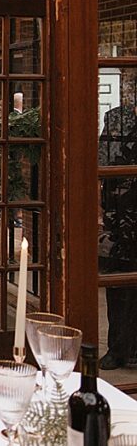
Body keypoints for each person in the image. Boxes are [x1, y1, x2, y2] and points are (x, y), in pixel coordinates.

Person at [99, 98, 137, 370]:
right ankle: (117, 349)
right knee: (116, 286)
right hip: (116, 218)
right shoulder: (116, 118)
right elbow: (98, 163)